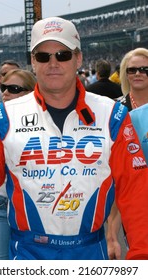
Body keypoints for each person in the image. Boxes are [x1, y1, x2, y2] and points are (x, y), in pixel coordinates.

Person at [0, 16, 148, 260]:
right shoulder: (4, 116)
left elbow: (137, 192)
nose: (53, 63)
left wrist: (141, 258)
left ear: (78, 58)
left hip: (90, 252)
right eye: (43, 56)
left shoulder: (113, 115)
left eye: (63, 55)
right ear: (33, 62)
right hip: (27, 254)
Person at [0, 67, 36, 260]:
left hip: (31, 205)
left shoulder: (46, 123)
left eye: (13, 88)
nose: (5, 93)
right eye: (4, 87)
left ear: (31, 92)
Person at [107, 47, 148, 259]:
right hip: (133, 200)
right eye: (132, 70)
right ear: (125, 74)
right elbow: (115, 174)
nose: (138, 74)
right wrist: (111, 231)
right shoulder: (117, 111)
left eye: (144, 69)